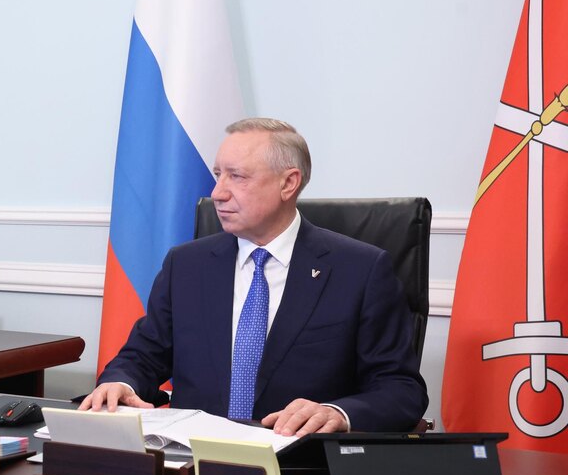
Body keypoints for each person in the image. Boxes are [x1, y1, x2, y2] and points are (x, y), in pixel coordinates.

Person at [81, 118, 428, 437]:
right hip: (192, 461)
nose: (217, 192)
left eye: (237, 176)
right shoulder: (186, 265)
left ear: (288, 183)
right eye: (218, 174)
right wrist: (120, 384)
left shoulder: (360, 270)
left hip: (300, 466)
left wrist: (337, 413)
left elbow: (401, 389)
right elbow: (142, 356)